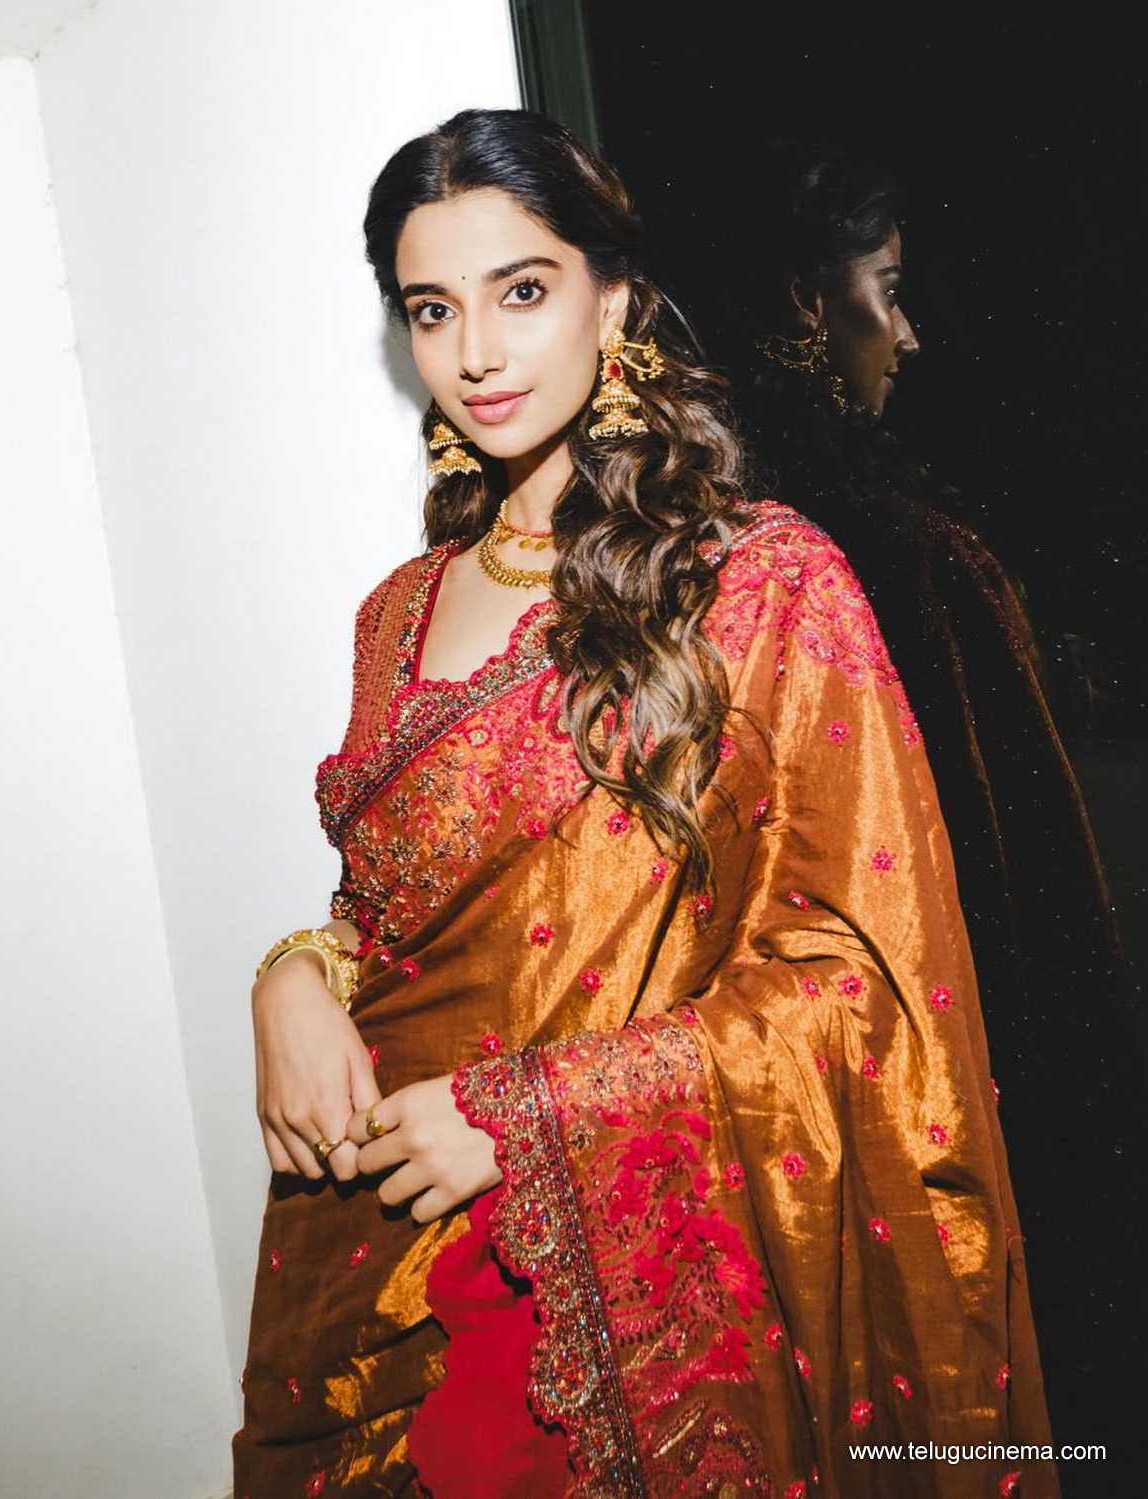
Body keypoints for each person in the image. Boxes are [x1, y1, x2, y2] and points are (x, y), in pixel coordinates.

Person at [233, 110, 1056, 1498]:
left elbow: (863, 978)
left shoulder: (763, 584)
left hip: (639, 1300)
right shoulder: (395, 617)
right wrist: (294, 979)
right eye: (432, 309)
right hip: (388, 1272)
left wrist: (528, 1117)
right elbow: (395, 918)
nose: (476, 353)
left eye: (522, 291)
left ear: (611, 298)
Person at [725, 139, 1148, 1485]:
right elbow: (1039, 924)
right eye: (889, 290)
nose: (907, 335)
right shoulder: (899, 561)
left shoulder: (718, 532)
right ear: (808, 300)